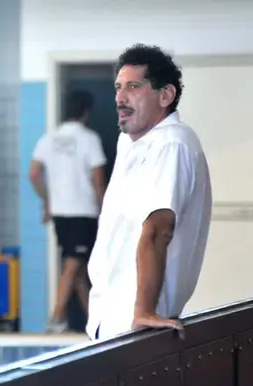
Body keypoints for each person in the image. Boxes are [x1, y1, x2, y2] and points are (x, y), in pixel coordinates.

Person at [87, 44, 212, 340]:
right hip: (109, 315)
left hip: (135, 324)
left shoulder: (172, 144)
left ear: (165, 95)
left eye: (133, 87)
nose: (120, 97)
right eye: (118, 87)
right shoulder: (130, 142)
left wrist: (144, 311)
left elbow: (158, 230)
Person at [30, 90, 107, 333]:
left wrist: (47, 201)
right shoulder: (89, 139)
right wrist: (106, 210)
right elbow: (98, 179)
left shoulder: (48, 139)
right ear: (86, 112)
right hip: (83, 212)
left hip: (60, 213)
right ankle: (56, 319)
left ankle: (95, 323)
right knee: (74, 265)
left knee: (79, 269)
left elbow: (33, 173)